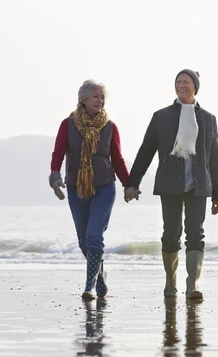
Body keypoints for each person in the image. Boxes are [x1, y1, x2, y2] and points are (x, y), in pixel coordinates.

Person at [125, 69, 218, 301]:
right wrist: (133, 182)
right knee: (171, 234)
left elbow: (215, 158)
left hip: (198, 186)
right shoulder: (162, 117)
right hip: (170, 184)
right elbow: (146, 151)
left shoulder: (208, 119)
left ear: (195, 87)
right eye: (178, 82)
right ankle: (171, 282)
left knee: (195, 233)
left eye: (186, 82)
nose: (181, 86)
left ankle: (193, 283)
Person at [49, 79, 129, 300]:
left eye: (103, 97)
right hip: (77, 189)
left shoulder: (110, 127)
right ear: (83, 99)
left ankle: (89, 287)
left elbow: (118, 159)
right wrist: (55, 175)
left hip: (104, 187)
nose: (100, 100)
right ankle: (99, 276)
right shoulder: (68, 124)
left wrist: (128, 184)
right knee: (84, 242)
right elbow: (57, 153)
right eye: (96, 96)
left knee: (94, 236)